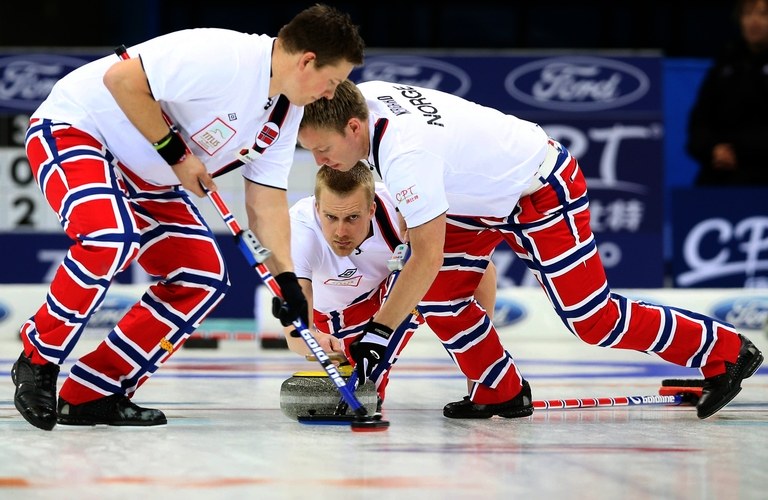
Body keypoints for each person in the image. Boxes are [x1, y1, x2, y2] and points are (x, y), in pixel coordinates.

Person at [297, 79, 764, 420]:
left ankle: (726, 351)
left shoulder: (405, 154)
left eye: (321, 149)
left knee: (592, 318)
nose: (319, 162)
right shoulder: (362, 97)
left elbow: (426, 255)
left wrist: (378, 334)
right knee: (440, 294)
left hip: (539, 189)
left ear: (354, 126)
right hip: (478, 195)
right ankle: (499, 389)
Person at [11, 4, 365, 431]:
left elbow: (266, 202)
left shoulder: (285, 112)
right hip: (80, 131)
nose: (330, 94)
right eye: (332, 81)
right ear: (307, 60)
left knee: (202, 279)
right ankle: (38, 357)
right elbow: (121, 79)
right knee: (110, 237)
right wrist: (177, 155)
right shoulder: (222, 56)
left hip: (149, 173)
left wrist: (287, 282)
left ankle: (92, 392)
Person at [282, 162, 497, 411]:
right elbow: (295, 334)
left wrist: (479, 365)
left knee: (430, 263)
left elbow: (479, 270)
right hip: (331, 315)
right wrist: (314, 339)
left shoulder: (404, 212)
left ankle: (490, 383)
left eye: (353, 217)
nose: (341, 231)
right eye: (331, 217)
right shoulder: (299, 233)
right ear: (317, 209)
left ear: (372, 209)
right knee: (360, 387)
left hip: (390, 294)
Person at [686, 0, 768, 185]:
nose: (754, 21)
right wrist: (713, 149)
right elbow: (700, 121)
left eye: (763, 14)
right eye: (747, 14)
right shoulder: (726, 61)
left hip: (760, 170)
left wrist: (739, 151)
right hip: (721, 170)